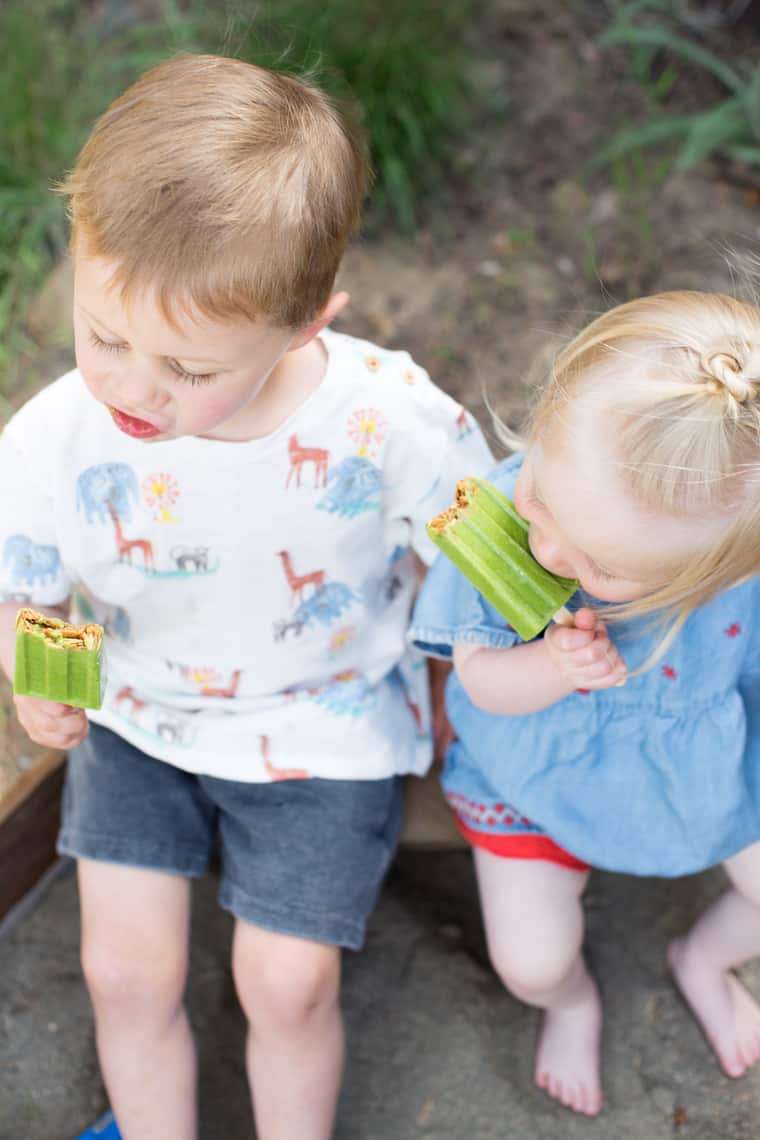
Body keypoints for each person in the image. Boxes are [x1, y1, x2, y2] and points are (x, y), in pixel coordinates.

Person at [0, 54, 492, 1140]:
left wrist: (488, 664)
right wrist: (40, 680)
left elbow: (489, 546)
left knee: (290, 986)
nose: (134, 387)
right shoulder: (55, 438)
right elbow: (26, 578)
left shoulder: (383, 420)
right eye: (106, 336)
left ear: (307, 321)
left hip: (324, 722)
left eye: (186, 368)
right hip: (138, 715)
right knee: (124, 975)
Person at [411, 290, 760, 1117]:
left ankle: (705, 957)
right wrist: (551, 668)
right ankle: (573, 1002)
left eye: (598, 565)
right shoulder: (507, 526)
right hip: (540, 769)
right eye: (540, 498)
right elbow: (480, 685)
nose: (549, 549)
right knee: (530, 962)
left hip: (704, 772)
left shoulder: (726, 554)